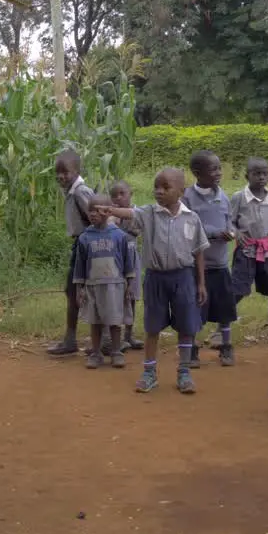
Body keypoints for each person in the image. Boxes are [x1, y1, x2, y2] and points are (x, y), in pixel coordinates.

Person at [96, 168, 209, 395]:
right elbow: (130, 212)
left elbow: (198, 252)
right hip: (156, 278)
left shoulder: (192, 218)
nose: (159, 191)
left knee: (187, 327)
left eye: (165, 188)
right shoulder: (149, 213)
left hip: (183, 278)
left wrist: (201, 283)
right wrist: (111, 209)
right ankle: (149, 373)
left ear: (181, 191)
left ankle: (184, 372)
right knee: (152, 326)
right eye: (156, 187)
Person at [183, 150, 238, 367]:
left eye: (219, 168)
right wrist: (214, 233)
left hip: (220, 263)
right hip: (198, 266)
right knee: (197, 307)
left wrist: (230, 233)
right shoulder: (188, 197)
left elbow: (230, 222)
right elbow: (187, 226)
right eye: (212, 169)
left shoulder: (222, 196)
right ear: (197, 173)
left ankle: (226, 346)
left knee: (224, 309)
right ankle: (193, 349)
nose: (218, 173)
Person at [230, 157, 268, 343]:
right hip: (246, 250)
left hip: (267, 251)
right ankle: (221, 327)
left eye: (265, 173)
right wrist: (236, 232)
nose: (261, 177)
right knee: (237, 290)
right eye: (257, 173)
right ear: (247, 176)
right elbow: (229, 221)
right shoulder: (239, 197)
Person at [73, 194, 137, 369]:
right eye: (90, 210)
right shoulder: (85, 237)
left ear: (108, 212)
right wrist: (80, 287)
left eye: (97, 210)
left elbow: (127, 262)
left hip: (115, 286)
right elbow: (80, 265)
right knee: (96, 322)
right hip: (93, 286)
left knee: (115, 320)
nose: (92, 214)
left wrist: (129, 284)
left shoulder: (119, 236)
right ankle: (96, 353)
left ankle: (116, 352)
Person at [48, 148, 97, 357]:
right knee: (73, 291)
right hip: (81, 244)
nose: (61, 176)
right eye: (57, 172)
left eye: (65, 172)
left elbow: (97, 217)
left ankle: (90, 340)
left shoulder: (80, 192)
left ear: (77, 170)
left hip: (88, 245)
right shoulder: (70, 191)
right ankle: (72, 339)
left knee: (84, 290)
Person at [107, 180, 145, 351]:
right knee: (116, 297)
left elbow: (136, 230)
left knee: (132, 296)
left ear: (131, 194)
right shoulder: (111, 217)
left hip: (132, 258)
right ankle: (117, 337)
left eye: (122, 194)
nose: (119, 198)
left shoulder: (137, 212)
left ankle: (130, 335)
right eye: (114, 195)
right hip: (115, 262)